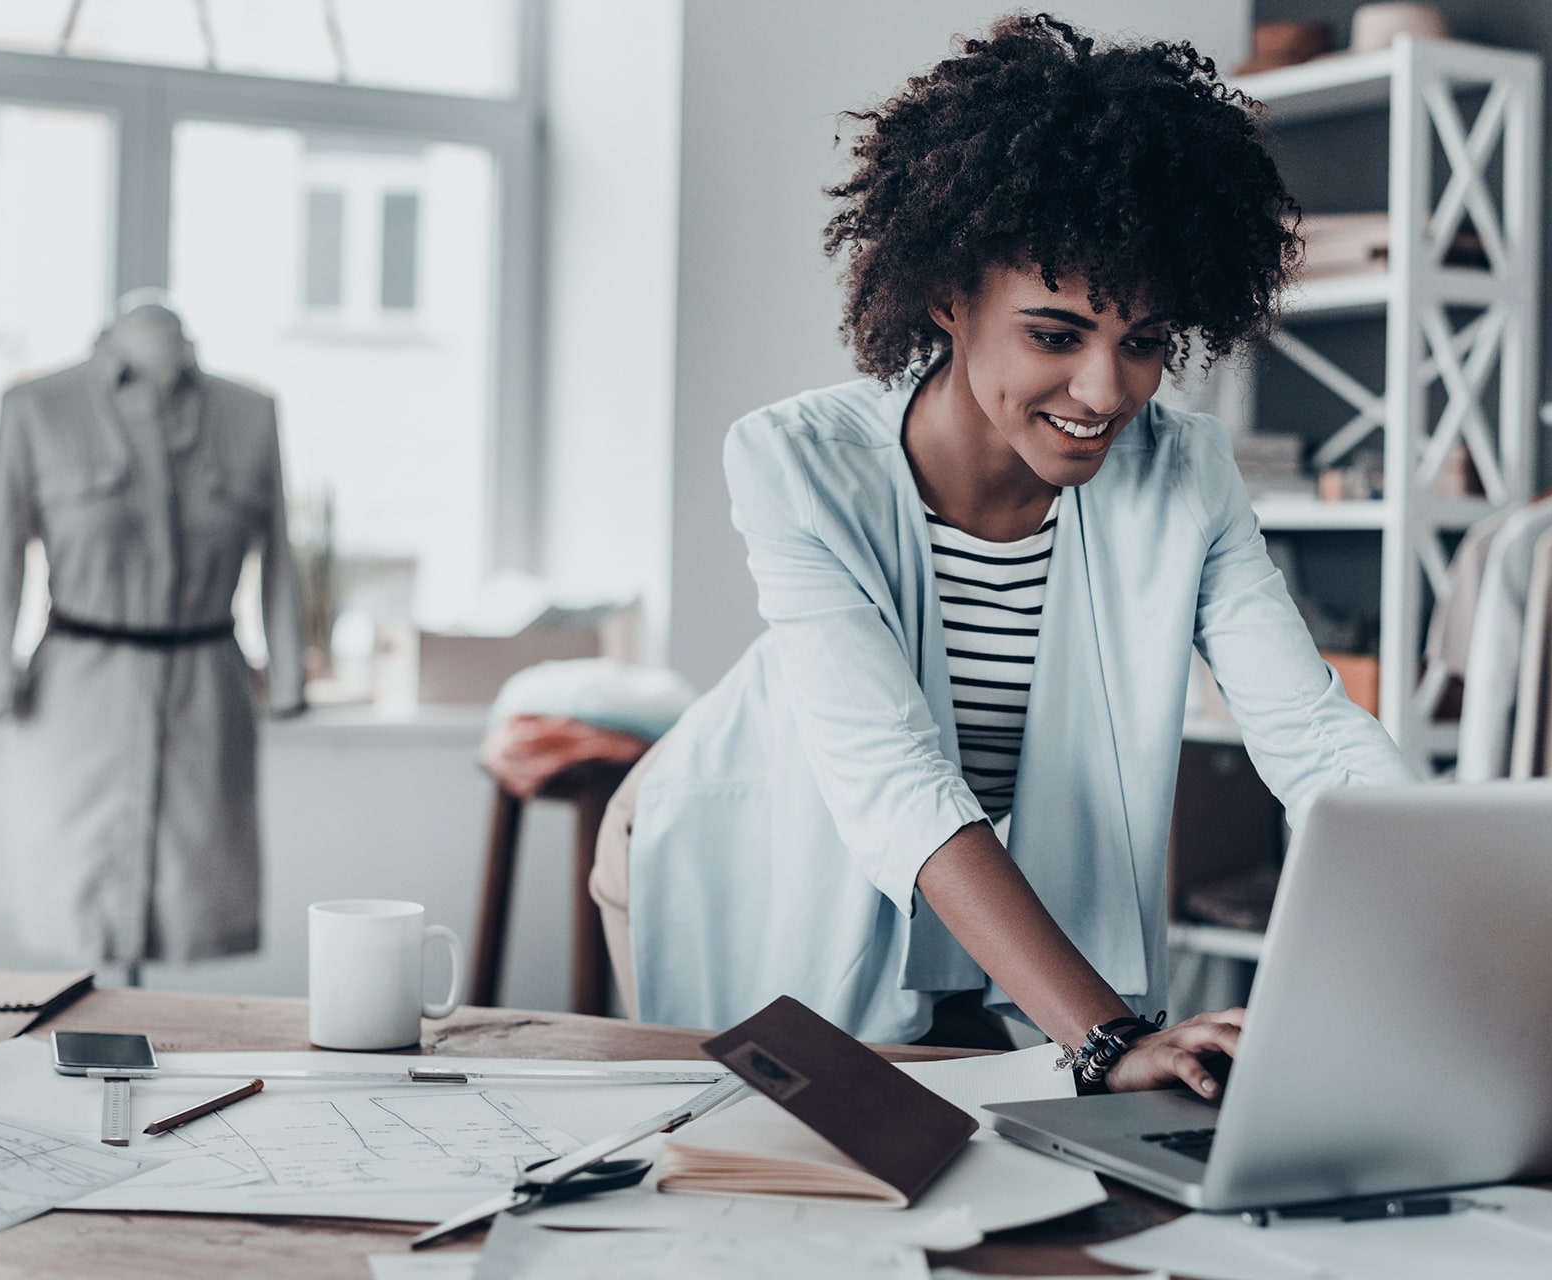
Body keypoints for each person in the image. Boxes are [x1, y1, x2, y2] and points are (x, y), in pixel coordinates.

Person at [592, 14, 1413, 1095]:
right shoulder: (796, 465)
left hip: (964, 868)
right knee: (786, 1183)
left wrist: (1457, 936)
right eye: (1056, 333)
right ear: (950, 293)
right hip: (740, 835)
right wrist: (1108, 1034)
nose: (1106, 392)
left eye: (1145, 341)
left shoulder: (1184, 473)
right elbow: (897, 781)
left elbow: (1311, 735)